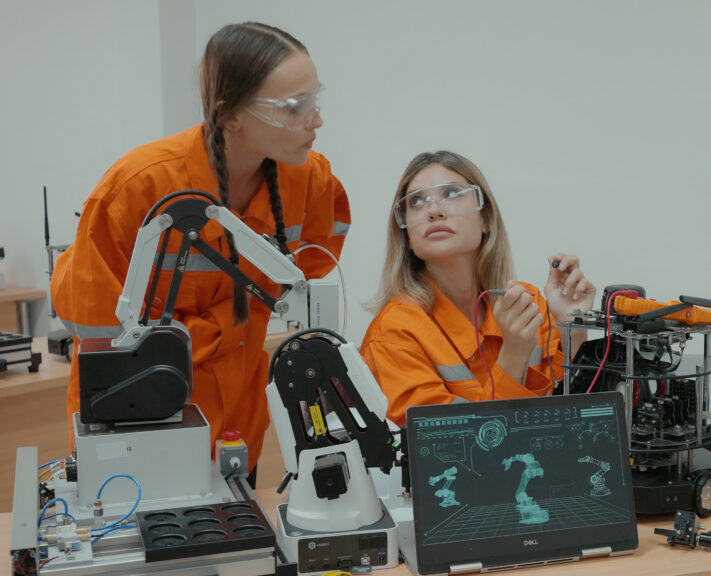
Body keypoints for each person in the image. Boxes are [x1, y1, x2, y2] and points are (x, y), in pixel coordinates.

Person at [50, 22, 349, 480]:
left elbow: (306, 280)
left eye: (314, 100)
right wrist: (220, 329)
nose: (316, 120)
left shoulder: (310, 181)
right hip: (137, 433)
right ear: (230, 116)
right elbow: (94, 328)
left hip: (238, 435)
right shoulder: (138, 189)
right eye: (294, 107)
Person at [360, 151, 596, 426]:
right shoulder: (393, 333)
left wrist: (573, 329)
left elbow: (570, 419)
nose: (434, 210)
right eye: (417, 202)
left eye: (451, 194)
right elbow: (458, 452)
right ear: (408, 237)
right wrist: (514, 353)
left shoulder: (527, 304)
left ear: (485, 219)